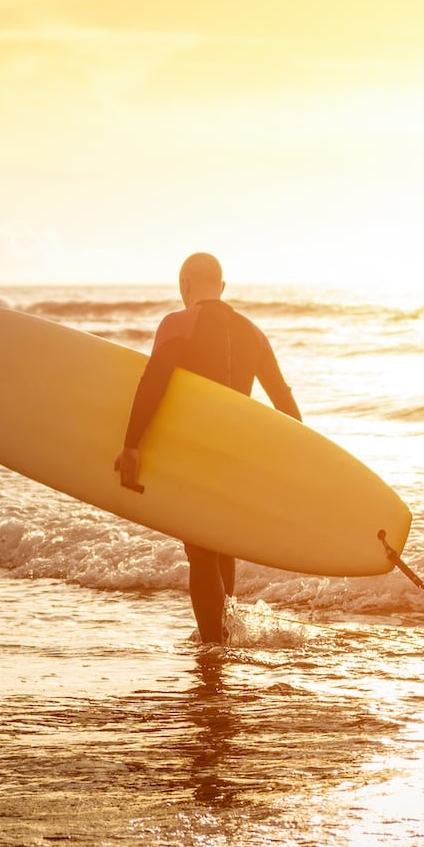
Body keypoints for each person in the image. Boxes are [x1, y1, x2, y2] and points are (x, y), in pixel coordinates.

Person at [114, 252, 302, 644]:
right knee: (220, 543)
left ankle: (213, 654)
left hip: (198, 452)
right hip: (238, 458)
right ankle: (223, 638)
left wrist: (131, 445)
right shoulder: (254, 333)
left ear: (184, 284)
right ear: (222, 286)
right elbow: (284, 404)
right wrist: (298, 464)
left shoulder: (177, 323)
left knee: (200, 552)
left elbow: (154, 382)